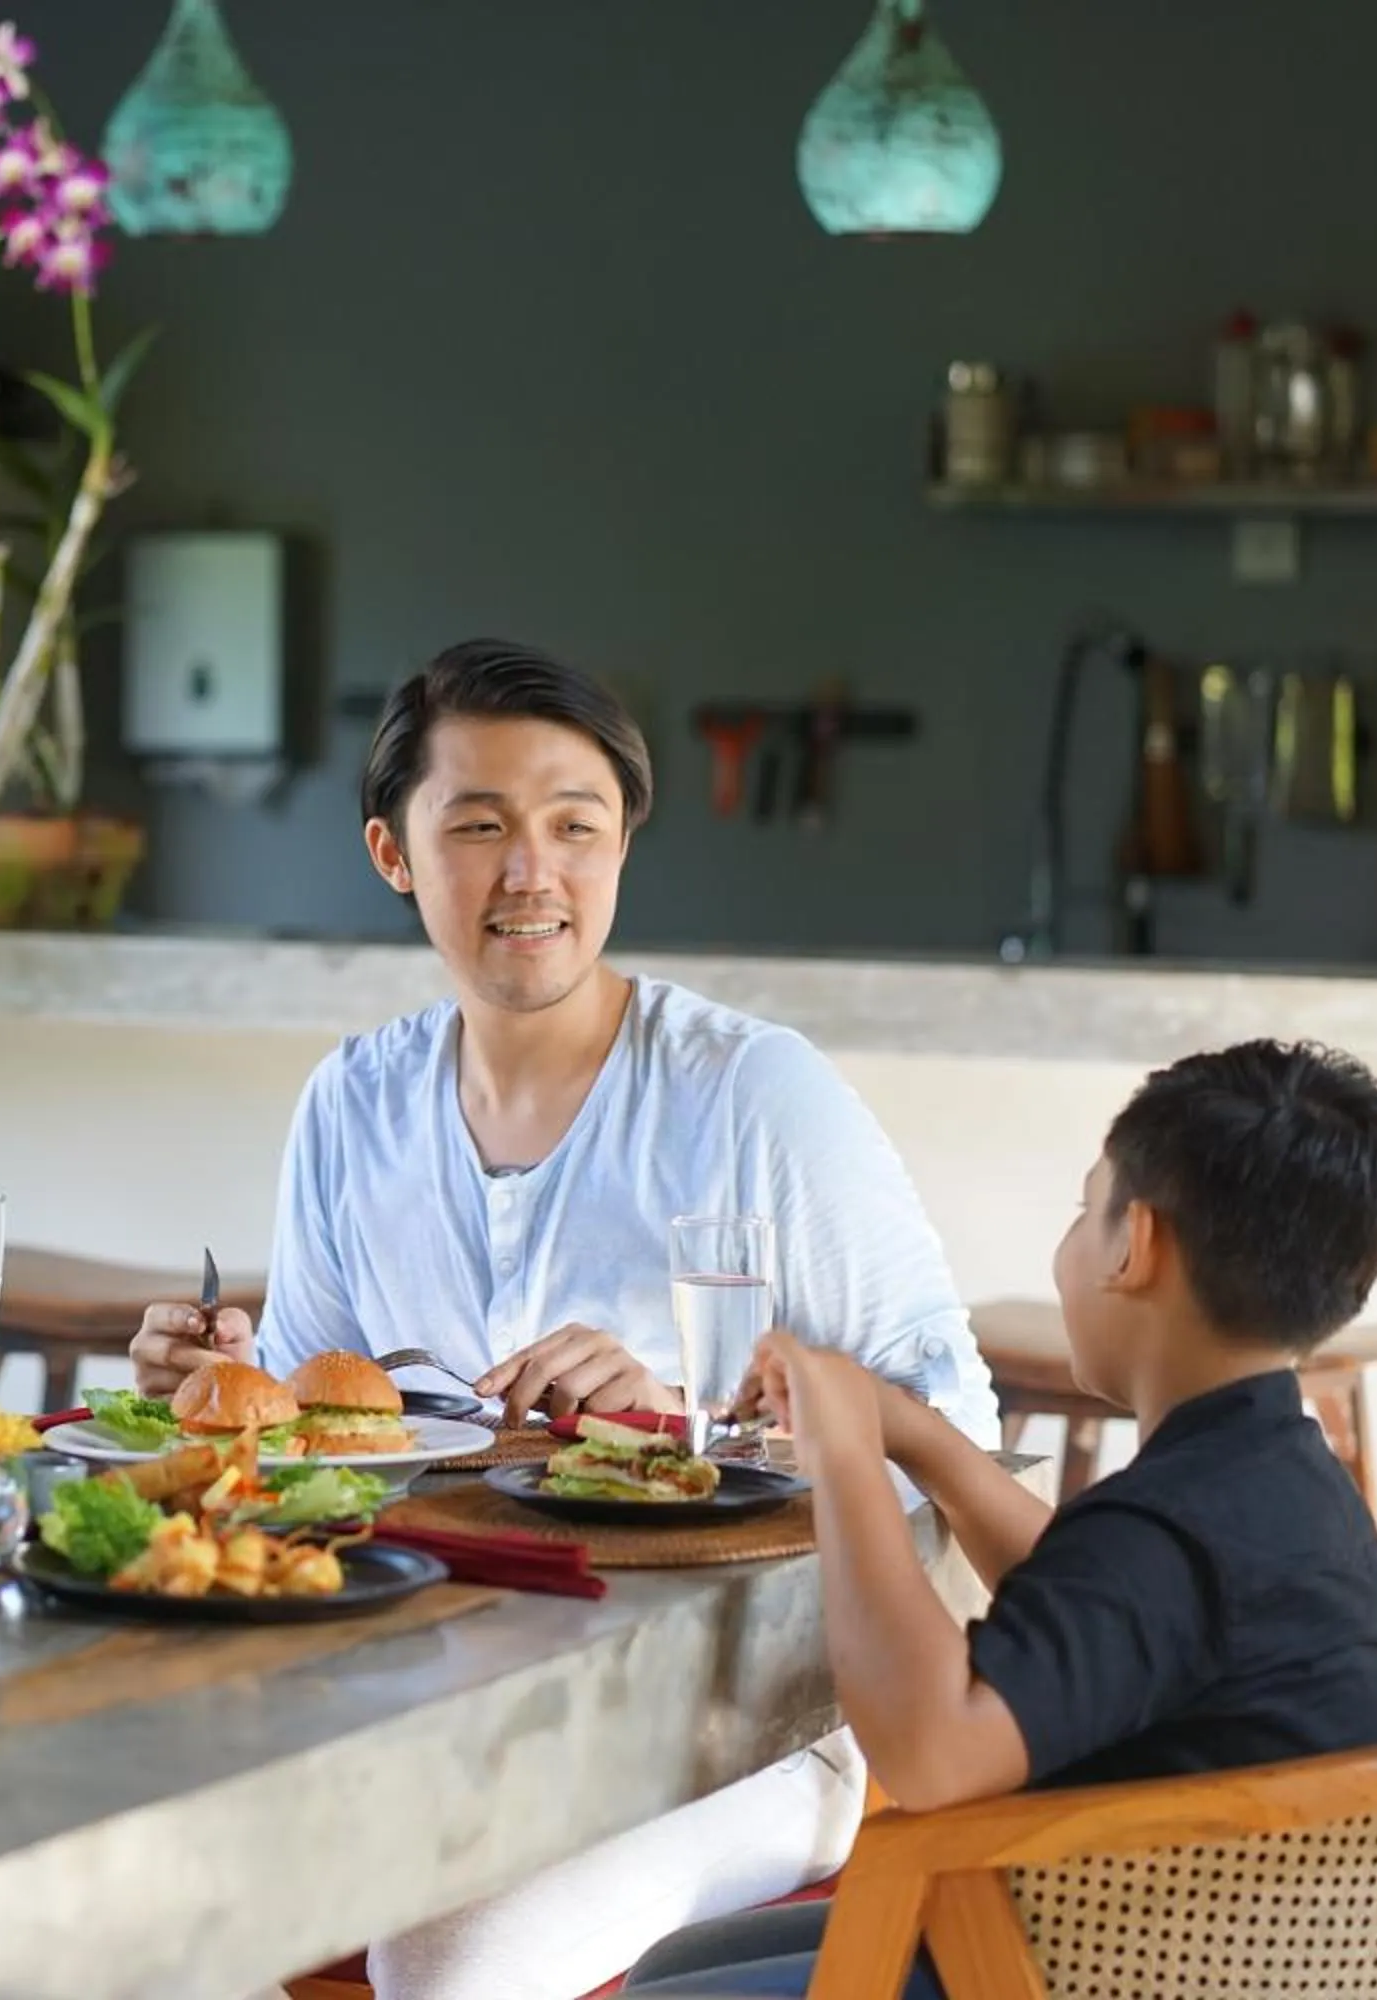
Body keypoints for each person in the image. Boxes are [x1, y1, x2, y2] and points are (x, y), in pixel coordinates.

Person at [125, 638, 999, 1999]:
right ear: (393, 853)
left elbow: (955, 1429)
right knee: (129, 1909)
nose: (532, 872)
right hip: (422, 1704)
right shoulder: (352, 1105)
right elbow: (308, 1460)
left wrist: (686, 1429)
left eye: (574, 827)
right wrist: (222, 1391)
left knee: (447, 1964)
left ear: (622, 845)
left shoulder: (754, 1096)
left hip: (743, 1727)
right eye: (479, 826)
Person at [620, 1040, 1377, 1997]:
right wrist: (909, 1433)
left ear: (1134, 1246)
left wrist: (845, 1460)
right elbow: (1103, 1609)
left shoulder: (1166, 1530)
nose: (1074, 1240)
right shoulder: (1279, 1481)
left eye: (1086, 1210)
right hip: (1236, 1952)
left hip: (1107, 1969)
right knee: (675, 1965)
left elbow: (931, 1750)